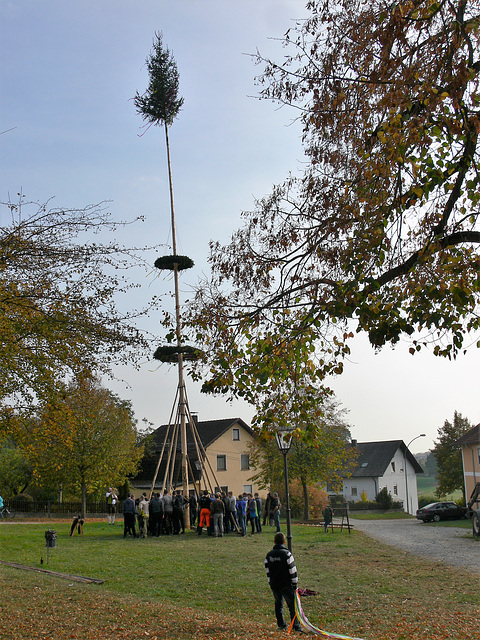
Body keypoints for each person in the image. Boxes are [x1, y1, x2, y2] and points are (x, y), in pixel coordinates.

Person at [264, 531, 302, 632]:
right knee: (292, 606)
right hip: (286, 584)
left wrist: (270, 583)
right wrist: (295, 585)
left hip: (275, 584)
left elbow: (267, 571)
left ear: (274, 542)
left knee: (278, 605)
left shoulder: (269, 555)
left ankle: (281, 625)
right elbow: (293, 571)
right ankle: (296, 626)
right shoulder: (287, 554)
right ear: (284, 542)